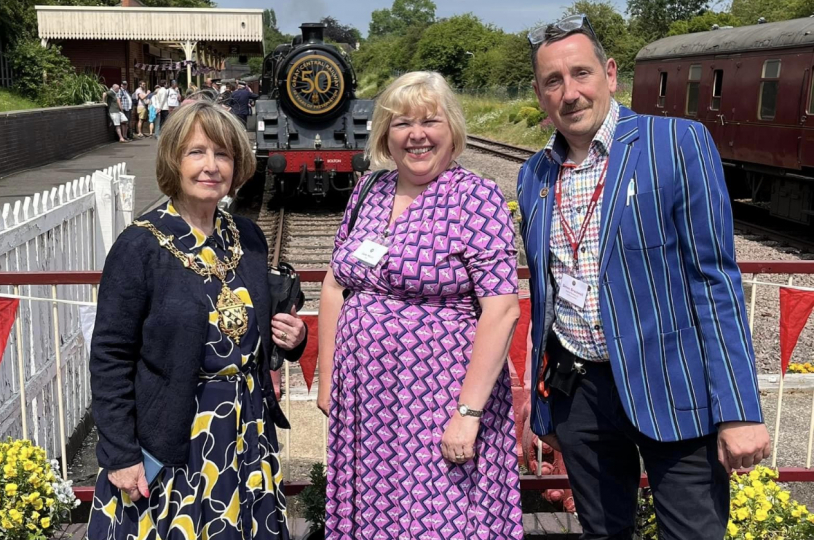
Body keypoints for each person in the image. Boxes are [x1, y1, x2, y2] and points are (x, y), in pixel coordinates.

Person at [518, 14, 770, 540]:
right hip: (581, 395)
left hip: (674, 387)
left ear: (610, 74)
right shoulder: (534, 174)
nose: (570, 93)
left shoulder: (677, 144)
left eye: (581, 73)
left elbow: (714, 280)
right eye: (553, 81)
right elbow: (545, 296)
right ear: (541, 95)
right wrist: (544, 404)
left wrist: (739, 409)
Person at [87, 99, 307, 540]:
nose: (211, 166)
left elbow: (252, 326)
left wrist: (291, 339)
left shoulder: (246, 235)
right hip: (176, 433)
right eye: (197, 152)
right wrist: (120, 453)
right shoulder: (140, 247)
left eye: (222, 154)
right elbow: (110, 357)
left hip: (246, 429)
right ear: (174, 160)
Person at [318, 71, 525, 539]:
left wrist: (468, 415)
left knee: (436, 517)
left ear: (451, 128)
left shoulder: (476, 197)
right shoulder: (369, 191)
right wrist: (328, 379)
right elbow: (334, 284)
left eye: (430, 120)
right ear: (384, 135)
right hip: (366, 404)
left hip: (437, 401)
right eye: (400, 123)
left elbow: (502, 309)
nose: (416, 134)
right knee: (374, 515)